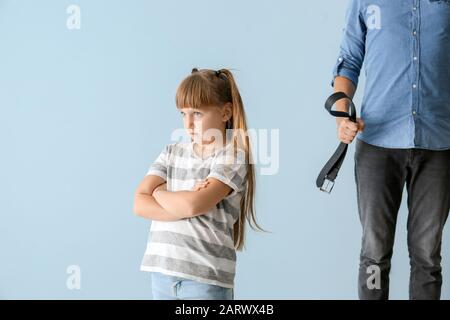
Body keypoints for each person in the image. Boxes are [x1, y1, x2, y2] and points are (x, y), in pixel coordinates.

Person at [332, 0, 450, 299]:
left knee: (427, 256)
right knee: (374, 253)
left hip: (439, 144)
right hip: (377, 145)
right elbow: (349, 59)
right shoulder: (364, 2)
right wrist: (342, 107)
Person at [134, 68, 263, 300]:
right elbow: (139, 203)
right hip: (162, 275)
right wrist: (180, 203)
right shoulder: (171, 152)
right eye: (183, 114)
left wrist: (160, 192)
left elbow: (194, 206)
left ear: (225, 113)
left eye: (197, 114)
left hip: (204, 280)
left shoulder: (231, 157)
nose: (188, 124)